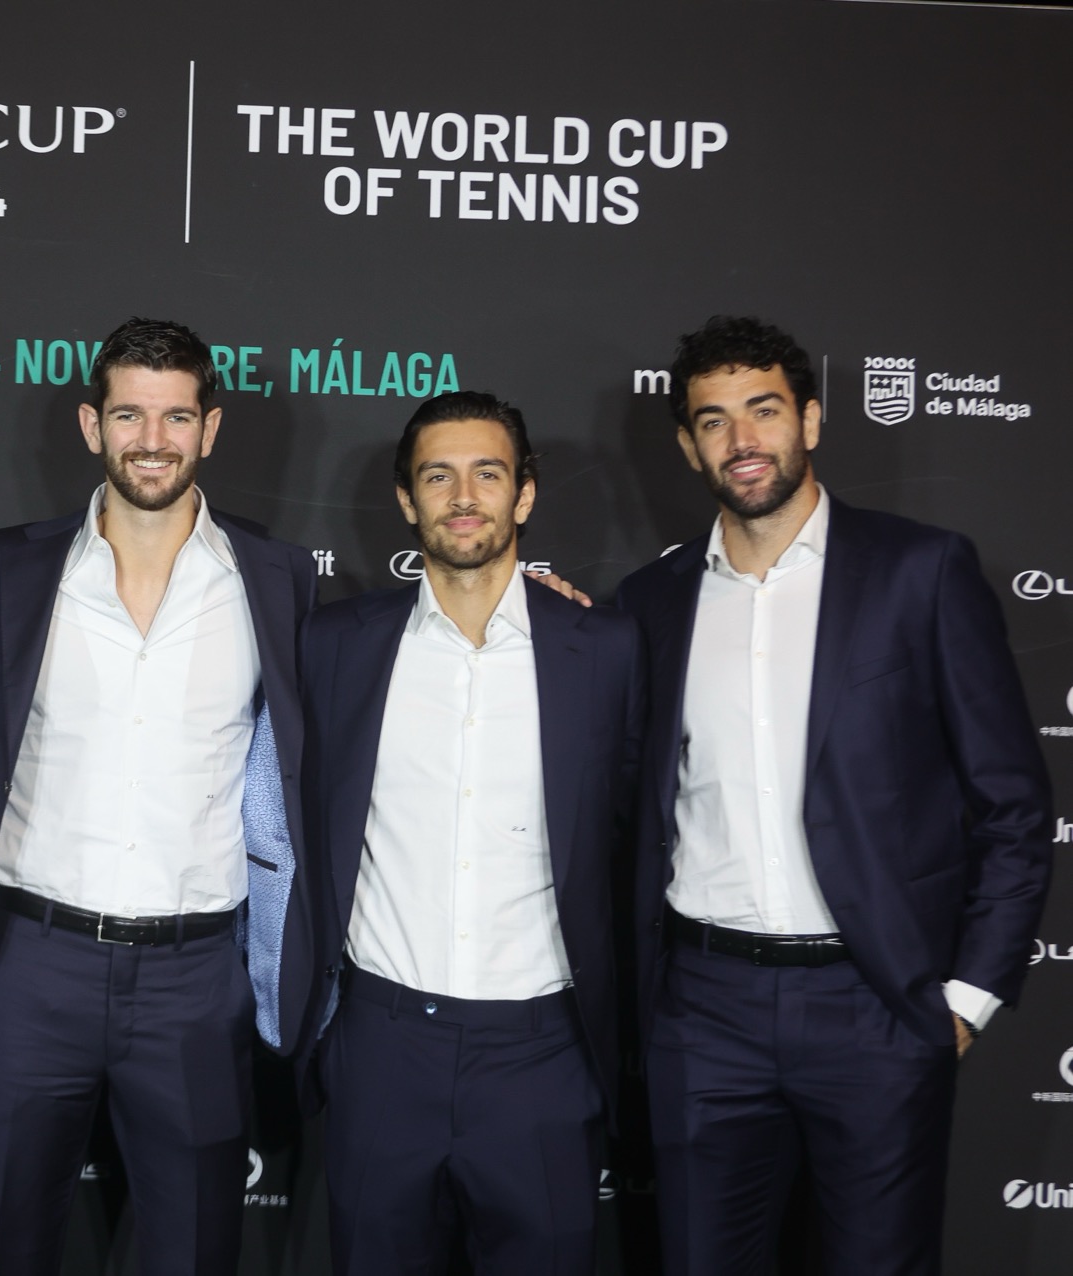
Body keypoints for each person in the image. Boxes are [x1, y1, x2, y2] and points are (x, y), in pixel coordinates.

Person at [615, 316, 1053, 1275]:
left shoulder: (920, 571)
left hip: (875, 1004)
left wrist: (966, 999)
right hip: (704, 1008)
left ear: (810, 420)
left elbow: (1014, 807)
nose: (742, 440)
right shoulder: (648, 604)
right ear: (687, 444)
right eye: (713, 421)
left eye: (763, 411)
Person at [0, 317, 316, 1275]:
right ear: (89, 424)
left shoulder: (275, 579)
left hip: (196, 980)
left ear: (210, 429)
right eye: (129, 415)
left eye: (176, 416)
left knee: (192, 1252)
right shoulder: (2, 569)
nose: (152, 439)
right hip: (28, 967)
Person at [299, 391, 645, 1275]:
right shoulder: (334, 644)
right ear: (405, 499)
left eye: (487, 474)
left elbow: (633, 836)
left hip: (543, 1055)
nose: (462, 496)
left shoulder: (603, 650)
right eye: (437, 476)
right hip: (381, 1047)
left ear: (522, 495)